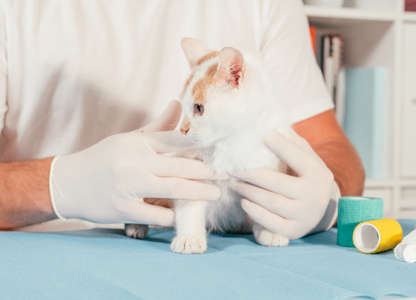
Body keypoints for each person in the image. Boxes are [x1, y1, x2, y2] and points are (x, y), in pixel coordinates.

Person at [0, 0, 364, 238]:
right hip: (48, 249)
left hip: (221, 253)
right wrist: (58, 186)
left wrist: (325, 199)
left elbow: (329, 145)